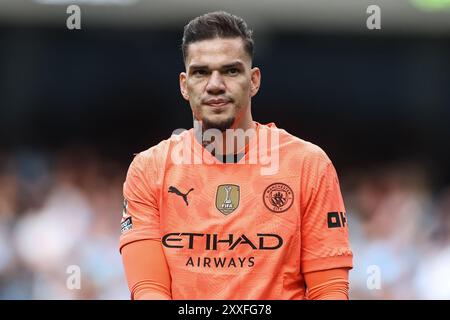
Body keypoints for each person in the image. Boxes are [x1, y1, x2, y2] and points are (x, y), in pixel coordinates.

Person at [119, 11, 353, 300]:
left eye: (230, 70)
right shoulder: (149, 169)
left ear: (254, 80)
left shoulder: (307, 165)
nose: (215, 84)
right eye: (201, 72)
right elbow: (148, 290)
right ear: (184, 85)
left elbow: (328, 290)